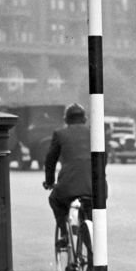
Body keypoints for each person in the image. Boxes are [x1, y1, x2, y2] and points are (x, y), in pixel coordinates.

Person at [42, 103, 92, 245]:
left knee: (55, 199)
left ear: (66, 120)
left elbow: (50, 160)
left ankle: (64, 234)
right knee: (92, 212)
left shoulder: (60, 134)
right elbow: (104, 157)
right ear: (84, 119)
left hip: (69, 185)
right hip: (94, 185)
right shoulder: (94, 132)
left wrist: (49, 182)